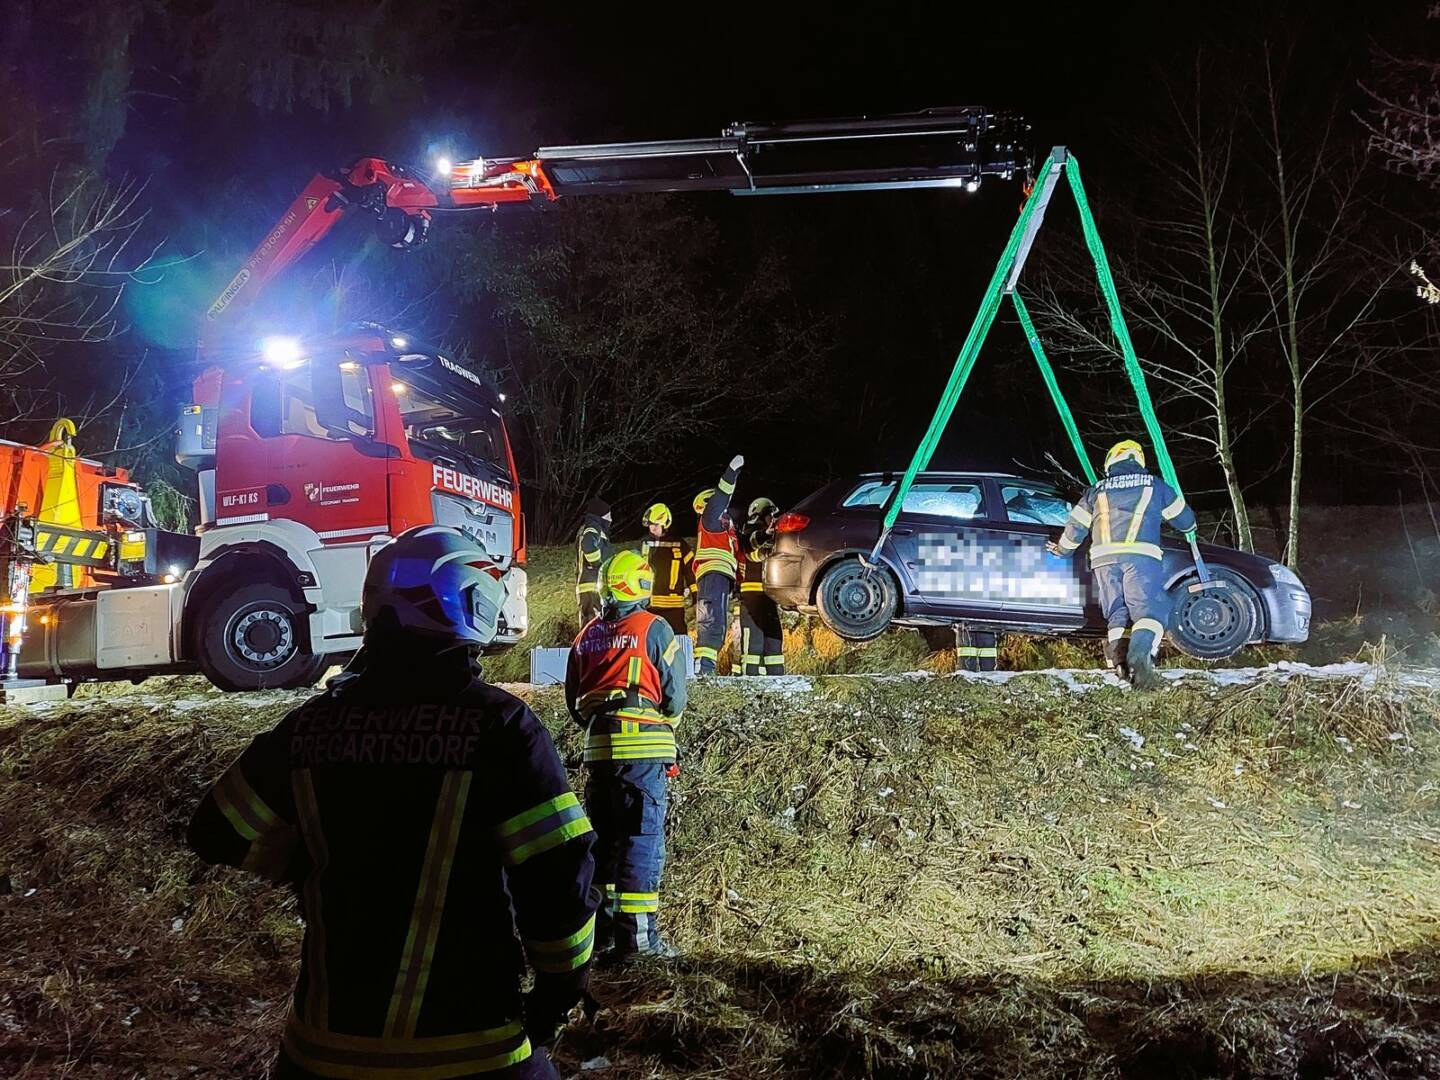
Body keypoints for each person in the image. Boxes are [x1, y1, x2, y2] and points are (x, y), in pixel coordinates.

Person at [188, 525, 600, 1080]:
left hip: (321, 1052)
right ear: (462, 600)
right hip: (471, 1049)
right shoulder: (500, 727)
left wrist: (303, 868)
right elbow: (556, 876)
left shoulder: (312, 726)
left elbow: (215, 828)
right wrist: (559, 989)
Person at [565, 550, 688, 961]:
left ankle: (601, 936)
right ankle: (638, 941)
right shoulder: (654, 628)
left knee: (605, 845)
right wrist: (661, 726)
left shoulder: (585, 637)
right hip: (643, 754)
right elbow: (674, 697)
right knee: (641, 843)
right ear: (641, 586)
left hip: (598, 754)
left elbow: (573, 702)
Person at [1048, 440, 1197, 690]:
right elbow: (1184, 519)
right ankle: (1140, 656)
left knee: (1117, 611)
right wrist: (1191, 529)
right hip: (1140, 556)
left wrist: (1063, 550)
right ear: (1138, 460)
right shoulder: (1154, 485)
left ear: (1110, 462)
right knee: (1149, 611)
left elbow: (1076, 526)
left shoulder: (1097, 489)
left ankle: (1119, 663)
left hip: (1103, 560)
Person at [692, 456, 744, 675]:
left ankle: (706, 669)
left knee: (717, 624)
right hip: (712, 575)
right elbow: (722, 496)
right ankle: (703, 671)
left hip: (719, 578)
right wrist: (732, 471)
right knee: (711, 623)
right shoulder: (711, 518)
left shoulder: (725, 530)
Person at [737, 497, 785, 676]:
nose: (772, 519)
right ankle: (750, 682)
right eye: (769, 515)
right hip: (752, 595)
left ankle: (776, 683)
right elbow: (751, 544)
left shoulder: (774, 535)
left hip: (769, 594)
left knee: (774, 641)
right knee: (753, 644)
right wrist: (766, 533)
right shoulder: (750, 531)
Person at [639, 502, 694, 636]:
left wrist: (696, 596)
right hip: (650, 605)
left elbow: (691, 572)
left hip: (674, 606)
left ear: (665, 524)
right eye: (651, 525)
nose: (652, 528)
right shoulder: (645, 545)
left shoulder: (679, 544)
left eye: (656, 525)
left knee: (679, 638)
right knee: (651, 639)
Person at [575, 498, 613, 628]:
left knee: (589, 626)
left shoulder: (587, 528)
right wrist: (598, 565)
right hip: (593, 586)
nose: (611, 520)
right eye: (608, 516)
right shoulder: (593, 528)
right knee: (594, 625)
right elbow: (588, 545)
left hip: (589, 586)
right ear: (600, 516)